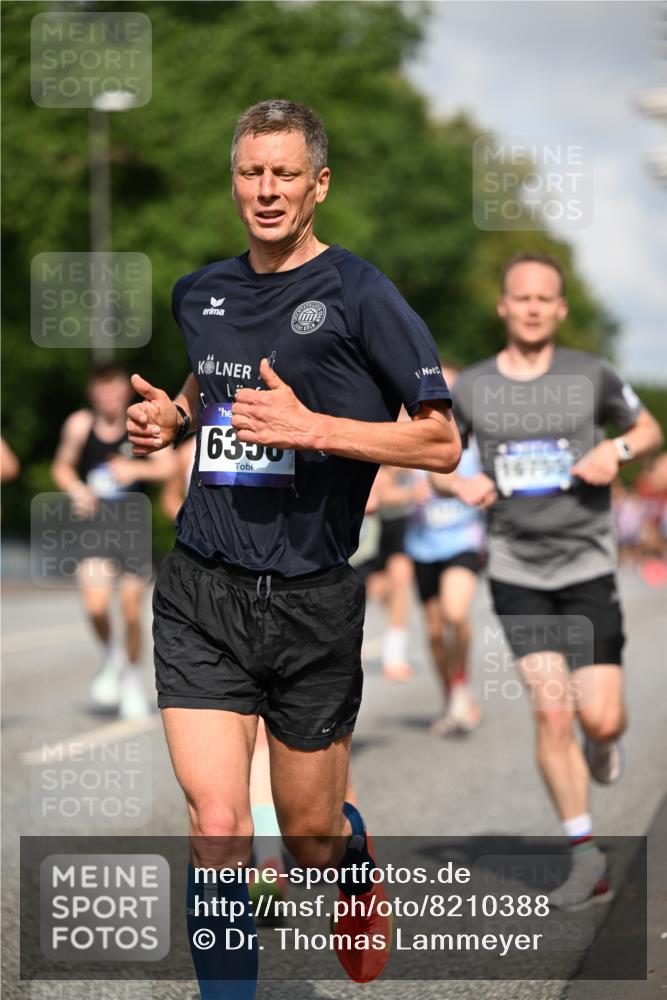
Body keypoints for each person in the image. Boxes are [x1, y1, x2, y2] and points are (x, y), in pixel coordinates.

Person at [126, 100, 460, 997]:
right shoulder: (200, 291)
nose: (264, 191)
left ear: (319, 184)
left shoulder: (360, 293)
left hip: (311, 600)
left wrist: (317, 427)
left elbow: (438, 442)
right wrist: (174, 415)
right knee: (221, 823)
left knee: (303, 842)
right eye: (249, 172)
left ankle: (345, 851)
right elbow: (217, 378)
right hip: (202, 589)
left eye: (283, 174)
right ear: (233, 179)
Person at [449, 253, 663, 910]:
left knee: (597, 716)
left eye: (545, 298)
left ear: (560, 308)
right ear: (504, 307)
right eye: (522, 297)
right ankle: (584, 856)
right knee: (551, 710)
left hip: (586, 564)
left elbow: (648, 428)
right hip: (516, 568)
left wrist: (614, 449)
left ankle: (604, 743)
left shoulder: (590, 374)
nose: (534, 307)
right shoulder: (473, 387)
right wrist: (457, 479)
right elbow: (433, 454)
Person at [51, 362, 175, 719]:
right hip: (95, 524)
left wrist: (133, 468)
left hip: (132, 525)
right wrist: (76, 489)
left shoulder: (140, 423)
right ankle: (113, 657)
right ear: (93, 392)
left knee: (132, 609)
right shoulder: (79, 425)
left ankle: (133, 680)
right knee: (94, 604)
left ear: (124, 390)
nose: (107, 395)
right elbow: (61, 466)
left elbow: (167, 467)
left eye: (113, 387)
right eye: (100, 389)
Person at [405, 366, 484, 735]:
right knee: (435, 633)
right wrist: (406, 494)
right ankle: (451, 696)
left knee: (455, 612)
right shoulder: (409, 436)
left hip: (463, 541)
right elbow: (383, 491)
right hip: (421, 546)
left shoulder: (476, 441)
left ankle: (462, 686)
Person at [364, 459, 416, 681]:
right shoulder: (379, 468)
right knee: (371, 591)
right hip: (371, 535)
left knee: (400, 581)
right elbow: (378, 496)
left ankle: (394, 654)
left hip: (397, 530)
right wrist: (410, 494)